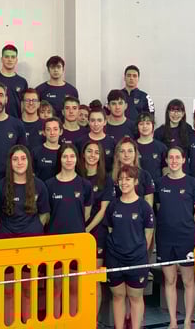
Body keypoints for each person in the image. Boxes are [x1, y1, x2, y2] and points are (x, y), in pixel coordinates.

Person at [0, 145, 50, 324]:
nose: (19, 162)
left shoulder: (39, 185)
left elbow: (44, 215)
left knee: (28, 290)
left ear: (29, 161)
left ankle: (28, 324)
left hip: (31, 246)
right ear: (10, 162)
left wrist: (31, 229)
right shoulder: (0, 187)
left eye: (23, 158)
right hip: (6, 244)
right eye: (15, 159)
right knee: (8, 291)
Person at [155, 146, 195, 329]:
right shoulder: (160, 183)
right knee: (169, 280)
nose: (174, 161)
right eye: (171, 158)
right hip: (165, 239)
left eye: (177, 157)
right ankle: (173, 322)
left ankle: (188, 320)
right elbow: (158, 208)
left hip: (186, 239)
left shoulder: (192, 183)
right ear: (167, 161)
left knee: (188, 281)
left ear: (183, 160)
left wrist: (189, 229)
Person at [45, 144, 92, 317]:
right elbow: (47, 215)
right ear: (60, 159)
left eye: (72, 156)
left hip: (76, 245)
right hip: (55, 244)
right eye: (65, 156)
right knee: (55, 289)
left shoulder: (85, 185)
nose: (68, 160)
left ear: (77, 159)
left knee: (74, 288)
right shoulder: (49, 185)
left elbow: (86, 213)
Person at [105, 165, 154, 329]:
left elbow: (148, 234)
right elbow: (111, 230)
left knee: (135, 297)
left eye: (128, 179)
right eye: (121, 179)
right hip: (115, 259)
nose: (124, 182)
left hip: (136, 259)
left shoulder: (144, 207)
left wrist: (138, 254)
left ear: (135, 181)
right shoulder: (113, 205)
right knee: (118, 296)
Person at [79, 140, 115, 314]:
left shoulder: (106, 179)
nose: (92, 155)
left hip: (96, 232)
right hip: (76, 231)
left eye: (96, 152)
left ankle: (92, 320)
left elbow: (103, 210)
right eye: (89, 151)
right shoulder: (76, 176)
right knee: (76, 280)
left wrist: (87, 230)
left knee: (93, 279)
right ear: (83, 154)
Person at [112, 137, 155, 207]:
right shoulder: (111, 176)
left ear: (135, 154)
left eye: (130, 151)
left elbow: (148, 204)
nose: (126, 155)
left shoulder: (145, 175)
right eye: (122, 151)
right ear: (117, 155)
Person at [75, 108, 115, 172]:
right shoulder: (79, 142)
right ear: (88, 122)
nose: (96, 124)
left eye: (99, 120)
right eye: (93, 120)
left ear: (105, 122)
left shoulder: (112, 143)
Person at [136, 112, 168, 187]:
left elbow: (165, 170)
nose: (144, 126)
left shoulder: (161, 147)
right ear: (137, 126)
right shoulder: (132, 146)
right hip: (137, 187)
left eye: (148, 123)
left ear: (153, 125)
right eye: (141, 124)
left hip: (156, 187)